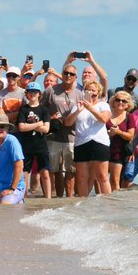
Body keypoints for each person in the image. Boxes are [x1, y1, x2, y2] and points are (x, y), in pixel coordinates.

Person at [66, 79, 111, 196]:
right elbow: (68, 123)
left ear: (98, 92)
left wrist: (90, 107)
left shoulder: (103, 105)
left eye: (93, 90)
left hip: (99, 142)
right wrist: (78, 110)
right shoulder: (78, 105)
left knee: (102, 176)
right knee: (81, 177)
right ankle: (83, 203)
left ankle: (108, 203)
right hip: (81, 142)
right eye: (88, 90)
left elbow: (104, 119)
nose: (90, 92)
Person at [42, 62, 81, 196]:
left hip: (72, 136)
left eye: (72, 74)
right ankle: (57, 198)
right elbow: (40, 109)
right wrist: (50, 117)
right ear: (62, 74)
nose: (68, 75)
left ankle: (69, 199)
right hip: (53, 136)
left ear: (76, 77)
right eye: (66, 73)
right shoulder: (50, 90)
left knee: (70, 170)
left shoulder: (79, 93)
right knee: (55, 169)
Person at [15, 81, 51, 198]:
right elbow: (21, 127)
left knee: (45, 172)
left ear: (39, 94)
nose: (33, 94)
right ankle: (23, 197)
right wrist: (38, 124)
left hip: (41, 146)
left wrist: (30, 125)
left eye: (35, 92)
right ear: (27, 94)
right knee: (25, 173)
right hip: (26, 146)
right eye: (30, 92)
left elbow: (46, 129)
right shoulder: (23, 109)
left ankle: (48, 198)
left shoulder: (44, 110)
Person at [107, 90, 135, 191]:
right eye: (118, 100)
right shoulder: (107, 114)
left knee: (115, 181)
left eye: (124, 101)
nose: (120, 103)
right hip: (104, 150)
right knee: (99, 179)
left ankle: (115, 204)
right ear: (113, 102)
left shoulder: (129, 117)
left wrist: (118, 132)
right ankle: (100, 203)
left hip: (119, 152)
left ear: (128, 104)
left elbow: (130, 136)